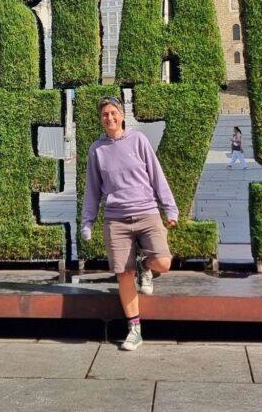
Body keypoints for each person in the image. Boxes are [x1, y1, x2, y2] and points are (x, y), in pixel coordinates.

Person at [82, 96, 178, 352]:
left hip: (147, 212)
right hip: (116, 219)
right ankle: (134, 329)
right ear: (101, 119)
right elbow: (92, 190)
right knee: (124, 275)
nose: (110, 118)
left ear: (122, 115)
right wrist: (88, 221)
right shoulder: (97, 150)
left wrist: (169, 208)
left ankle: (145, 265)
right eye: (105, 114)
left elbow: (157, 175)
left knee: (163, 262)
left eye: (114, 113)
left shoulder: (138, 140)